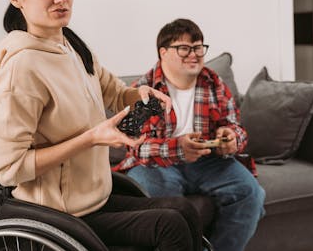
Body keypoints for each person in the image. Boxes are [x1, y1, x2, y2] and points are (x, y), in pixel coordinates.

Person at [0, 0, 204, 251]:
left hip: (94, 198)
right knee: (170, 226)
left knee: (183, 210)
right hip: (57, 214)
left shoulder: (71, 46)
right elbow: (8, 169)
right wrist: (91, 138)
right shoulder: (22, 70)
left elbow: (113, 91)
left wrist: (140, 94)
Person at [113, 18, 266, 251]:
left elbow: (236, 127)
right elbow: (136, 146)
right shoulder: (144, 88)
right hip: (156, 165)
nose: (194, 54)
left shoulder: (213, 82)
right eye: (184, 48)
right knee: (161, 207)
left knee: (250, 194)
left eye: (198, 47)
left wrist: (231, 139)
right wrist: (178, 148)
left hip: (209, 161)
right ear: (163, 53)